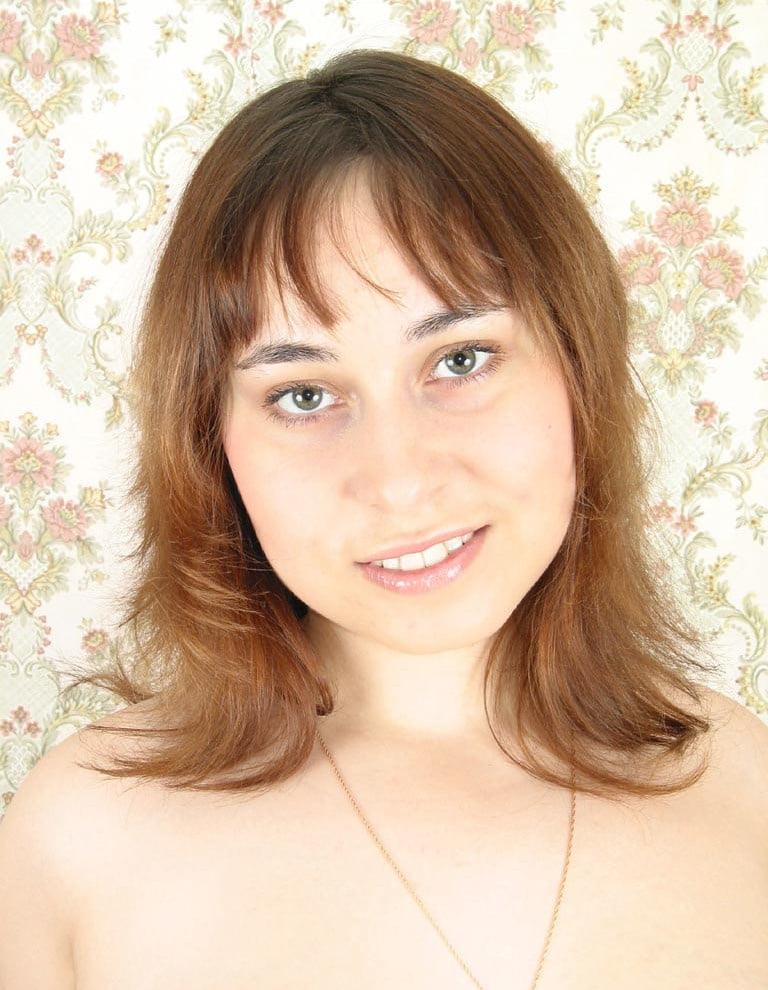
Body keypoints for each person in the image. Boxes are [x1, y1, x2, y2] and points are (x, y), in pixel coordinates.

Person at [1, 48, 766, 990]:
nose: (400, 482)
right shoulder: (76, 841)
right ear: (212, 443)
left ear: (579, 366)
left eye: (460, 360)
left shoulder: (748, 792)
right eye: (303, 395)